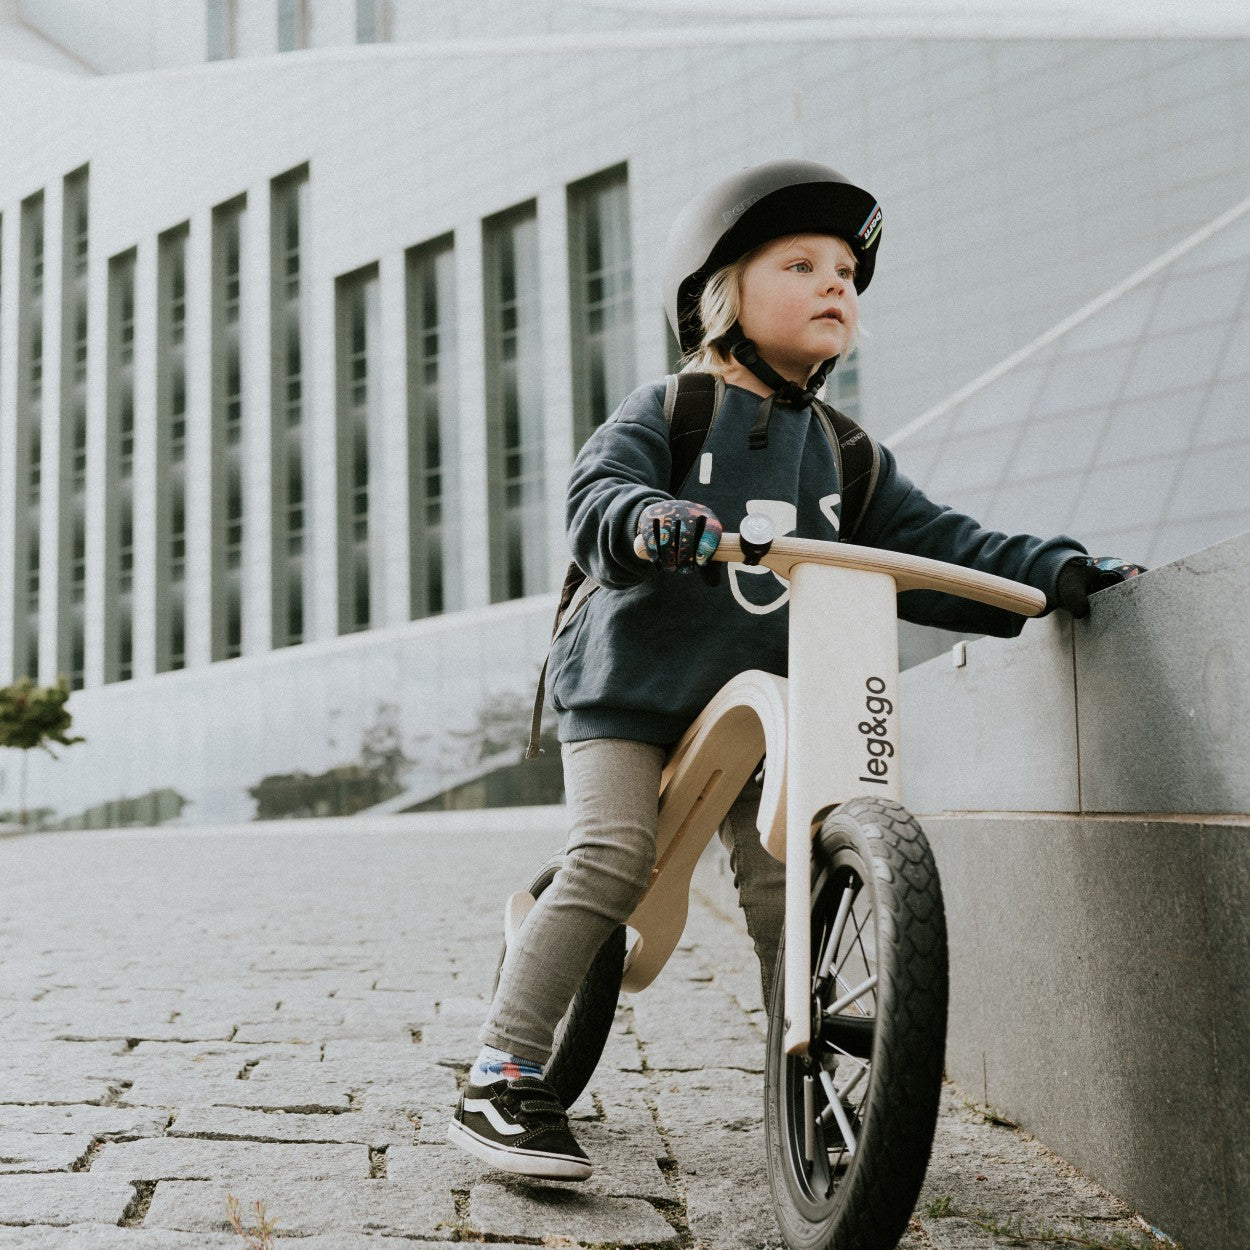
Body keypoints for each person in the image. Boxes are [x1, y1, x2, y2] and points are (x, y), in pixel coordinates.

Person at [447, 160, 1143, 1181]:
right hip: (628, 685)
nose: (835, 284)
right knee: (608, 854)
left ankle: (801, 1073)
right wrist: (651, 519)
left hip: (764, 701)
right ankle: (499, 1075)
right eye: (803, 263)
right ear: (723, 295)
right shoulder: (674, 408)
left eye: (847, 275)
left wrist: (1057, 572)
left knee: (787, 881)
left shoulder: (845, 455)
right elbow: (598, 493)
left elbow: (944, 552)